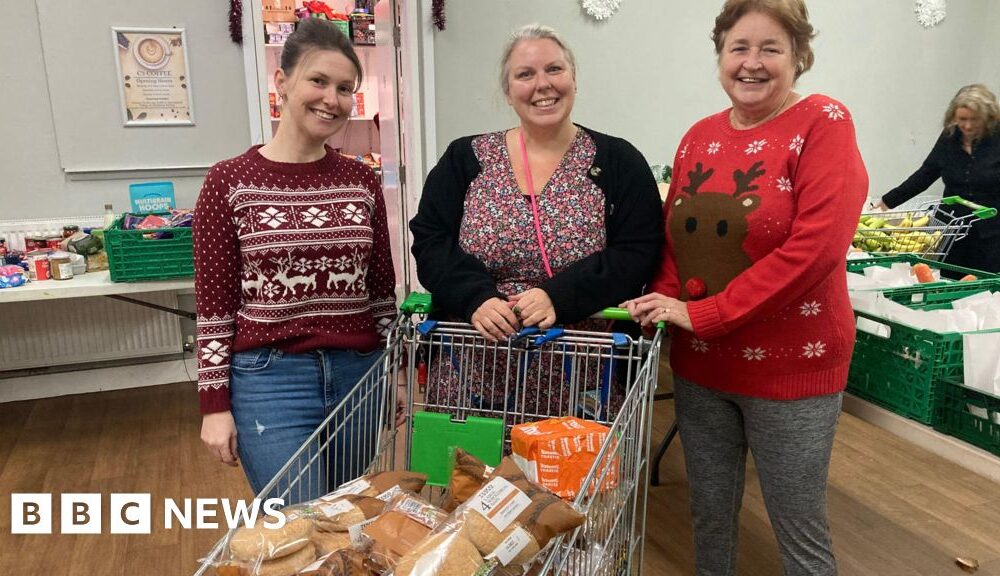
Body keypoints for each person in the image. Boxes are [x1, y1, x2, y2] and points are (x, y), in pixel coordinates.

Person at [625, 1, 867, 574]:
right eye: (739, 48)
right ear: (720, 56)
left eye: (770, 49)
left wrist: (704, 313)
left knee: (798, 530)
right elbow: (676, 240)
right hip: (703, 366)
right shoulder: (699, 137)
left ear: (798, 56)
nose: (751, 63)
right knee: (709, 518)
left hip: (792, 367)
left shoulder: (823, 122)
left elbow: (815, 250)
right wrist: (660, 302)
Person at [409, 24, 663, 419]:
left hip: (580, 382)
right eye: (525, 74)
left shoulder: (619, 162)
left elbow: (638, 252)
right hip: (469, 377)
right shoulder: (465, 158)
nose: (542, 84)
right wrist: (475, 297)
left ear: (574, 79)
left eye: (554, 69)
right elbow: (430, 240)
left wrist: (559, 296)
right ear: (508, 91)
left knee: (571, 462)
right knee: (466, 463)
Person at [194, 19, 397, 502]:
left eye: (345, 88)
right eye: (318, 81)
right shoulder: (228, 181)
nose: (332, 99)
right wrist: (214, 405)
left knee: (348, 518)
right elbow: (214, 306)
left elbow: (380, 291)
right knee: (298, 526)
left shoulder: (361, 181)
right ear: (282, 82)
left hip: (359, 375)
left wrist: (398, 374)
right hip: (270, 380)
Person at [875, 84, 1000, 273]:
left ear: (988, 117)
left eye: (974, 120)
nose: (967, 126)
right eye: (962, 119)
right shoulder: (950, 137)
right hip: (952, 230)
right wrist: (886, 202)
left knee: (987, 285)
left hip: (992, 234)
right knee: (950, 281)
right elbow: (926, 173)